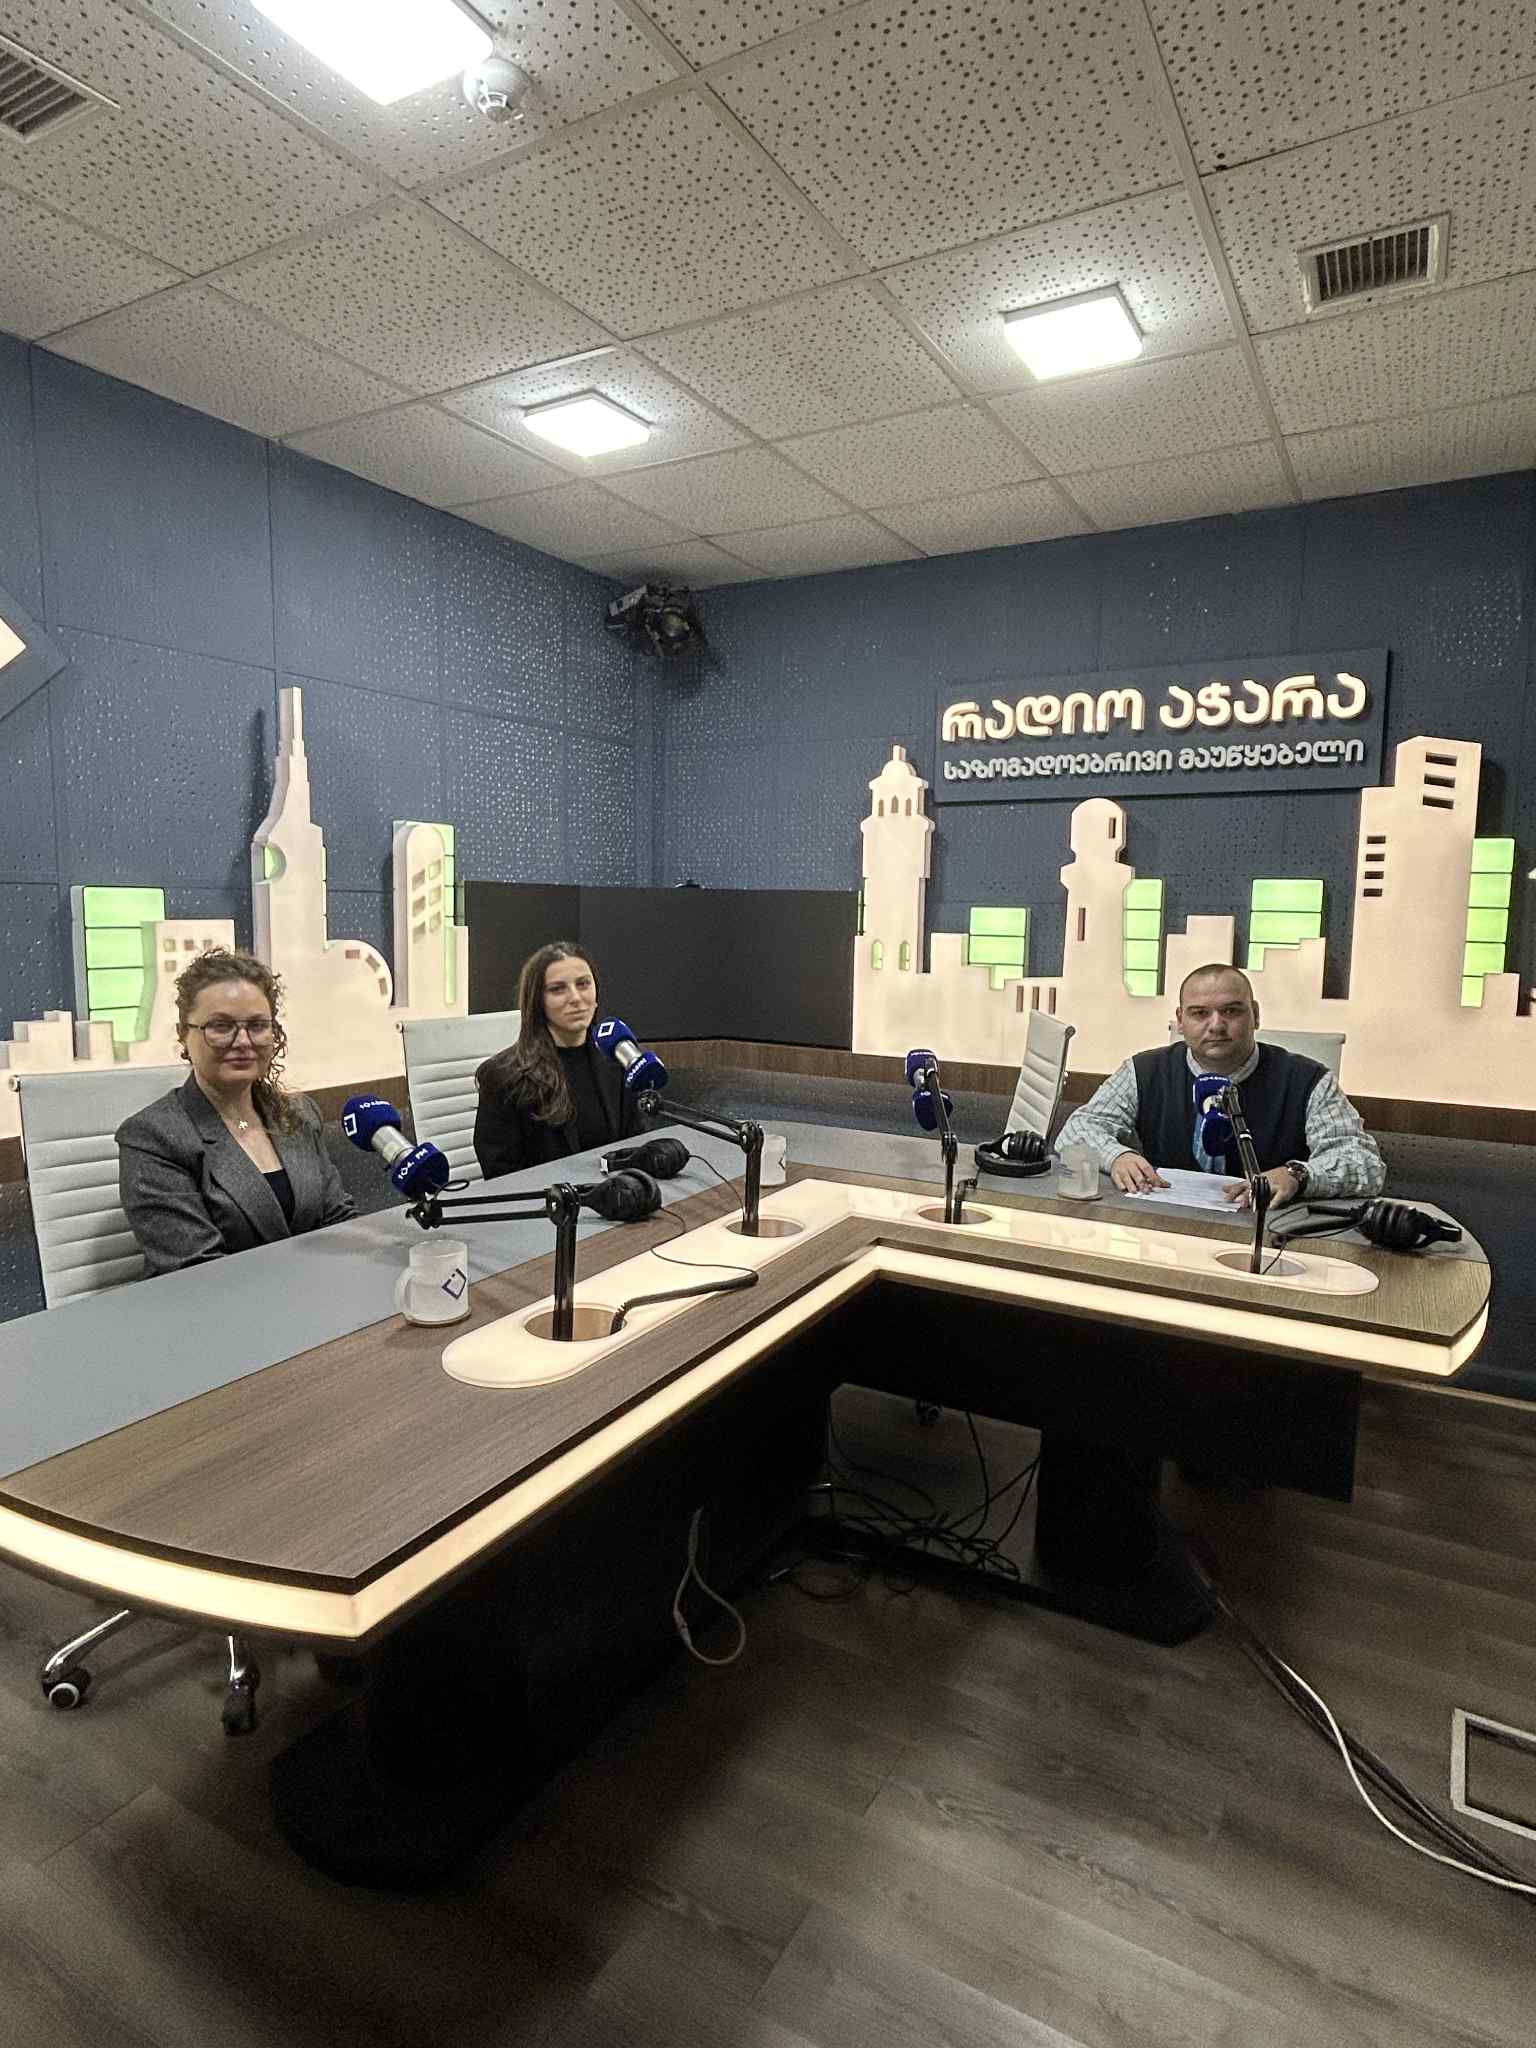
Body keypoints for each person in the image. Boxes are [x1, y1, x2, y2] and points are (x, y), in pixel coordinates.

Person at [1054, 962, 1385, 1206]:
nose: (1216, 1025)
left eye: (1231, 1011)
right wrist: (1117, 1156)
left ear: (1255, 1015)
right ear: (1180, 1021)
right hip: (1166, 1226)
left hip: (1269, 1228)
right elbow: (1078, 1129)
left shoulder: (1308, 1080)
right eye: (1200, 1013)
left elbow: (1364, 1163)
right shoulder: (1144, 1070)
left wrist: (1296, 1175)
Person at [118, 949, 355, 1277]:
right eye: (220, 1026)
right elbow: (198, 1271)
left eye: (257, 1025)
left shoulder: (298, 1114)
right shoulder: (153, 1137)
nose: (243, 1041)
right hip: (214, 1304)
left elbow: (339, 1221)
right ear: (183, 1034)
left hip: (315, 1291)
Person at [473, 941, 646, 1179]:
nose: (576, 998)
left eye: (583, 984)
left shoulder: (618, 1059)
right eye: (557, 989)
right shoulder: (502, 1077)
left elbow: (634, 1146)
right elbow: (501, 1174)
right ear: (537, 1002)